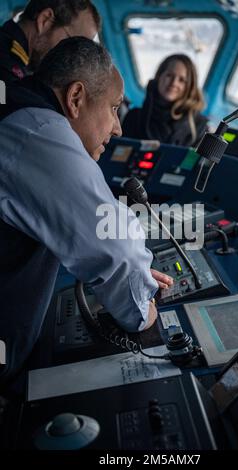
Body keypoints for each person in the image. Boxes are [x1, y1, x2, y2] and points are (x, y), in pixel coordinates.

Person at [0, 37, 172, 384]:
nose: (118, 127)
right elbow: (115, 247)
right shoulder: (38, 131)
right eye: (112, 108)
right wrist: (146, 313)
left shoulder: (19, 110)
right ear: (75, 98)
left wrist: (130, 277)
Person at [0, 0, 101, 84]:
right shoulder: (5, 65)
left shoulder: (19, 66)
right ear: (45, 20)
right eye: (72, 45)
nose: (71, 59)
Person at [122, 54, 209, 147]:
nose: (174, 83)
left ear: (189, 86)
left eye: (181, 80)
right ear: (159, 76)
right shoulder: (133, 118)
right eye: (169, 75)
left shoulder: (199, 127)